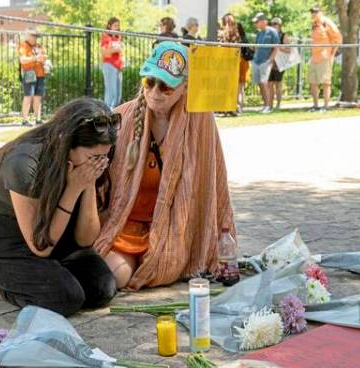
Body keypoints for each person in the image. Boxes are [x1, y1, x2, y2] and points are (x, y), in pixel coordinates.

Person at [93, 41, 235, 291]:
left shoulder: (200, 122)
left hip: (174, 230)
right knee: (112, 278)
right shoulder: (122, 117)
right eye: (150, 82)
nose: (155, 92)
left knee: (161, 267)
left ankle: (160, 259)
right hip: (127, 225)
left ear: (185, 87)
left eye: (166, 86)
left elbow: (213, 184)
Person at [0, 97, 119, 317]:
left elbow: (85, 240)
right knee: (65, 299)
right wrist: (73, 189)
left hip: (58, 234)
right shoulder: (24, 162)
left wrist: (87, 184)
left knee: (101, 290)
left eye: (104, 157)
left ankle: (35, 277)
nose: (99, 163)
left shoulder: (91, 162)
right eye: (93, 157)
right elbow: (41, 246)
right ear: (67, 144)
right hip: (6, 242)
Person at [308, 6, 342, 111]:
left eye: (315, 11)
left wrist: (332, 54)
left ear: (320, 12)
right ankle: (315, 106)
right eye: (312, 12)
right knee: (313, 82)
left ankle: (326, 106)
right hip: (314, 57)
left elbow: (338, 38)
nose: (313, 14)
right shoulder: (314, 24)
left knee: (326, 83)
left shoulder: (327, 22)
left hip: (325, 57)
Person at [219, 14, 252, 114]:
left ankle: (230, 107)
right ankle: (237, 107)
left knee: (230, 87)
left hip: (231, 62)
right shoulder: (237, 31)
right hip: (239, 61)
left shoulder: (222, 33)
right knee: (239, 87)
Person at [251, 12, 279, 114]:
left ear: (264, 21)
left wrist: (270, 60)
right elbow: (256, 47)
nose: (255, 24)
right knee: (260, 84)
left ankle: (268, 106)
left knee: (264, 83)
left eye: (257, 22)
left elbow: (276, 47)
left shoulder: (272, 32)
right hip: (257, 61)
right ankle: (265, 105)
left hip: (266, 62)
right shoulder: (259, 33)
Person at [18, 29, 47, 126]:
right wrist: (35, 58)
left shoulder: (39, 46)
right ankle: (25, 120)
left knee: (38, 97)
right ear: (28, 36)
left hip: (40, 74)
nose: (35, 38)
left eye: (36, 36)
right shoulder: (23, 46)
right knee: (28, 96)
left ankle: (38, 119)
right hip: (29, 73)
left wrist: (44, 61)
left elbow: (44, 58)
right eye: (33, 36)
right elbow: (22, 60)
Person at [268, 17, 292, 110]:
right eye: (272, 24)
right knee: (270, 84)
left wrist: (279, 48)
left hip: (279, 64)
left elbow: (289, 50)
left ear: (280, 25)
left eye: (275, 24)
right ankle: (270, 105)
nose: (273, 25)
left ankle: (278, 104)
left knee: (278, 84)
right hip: (270, 63)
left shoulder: (283, 36)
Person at [101, 17, 124, 109]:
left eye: (118, 26)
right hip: (109, 65)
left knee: (118, 94)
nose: (117, 28)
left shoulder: (118, 37)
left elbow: (121, 52)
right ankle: (107, 112)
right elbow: (104, 52)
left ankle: (114, 111)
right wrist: (115, 49)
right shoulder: (106, 37)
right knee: (111, 92)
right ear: (109, 26)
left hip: (118, 67)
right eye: (115, 26)